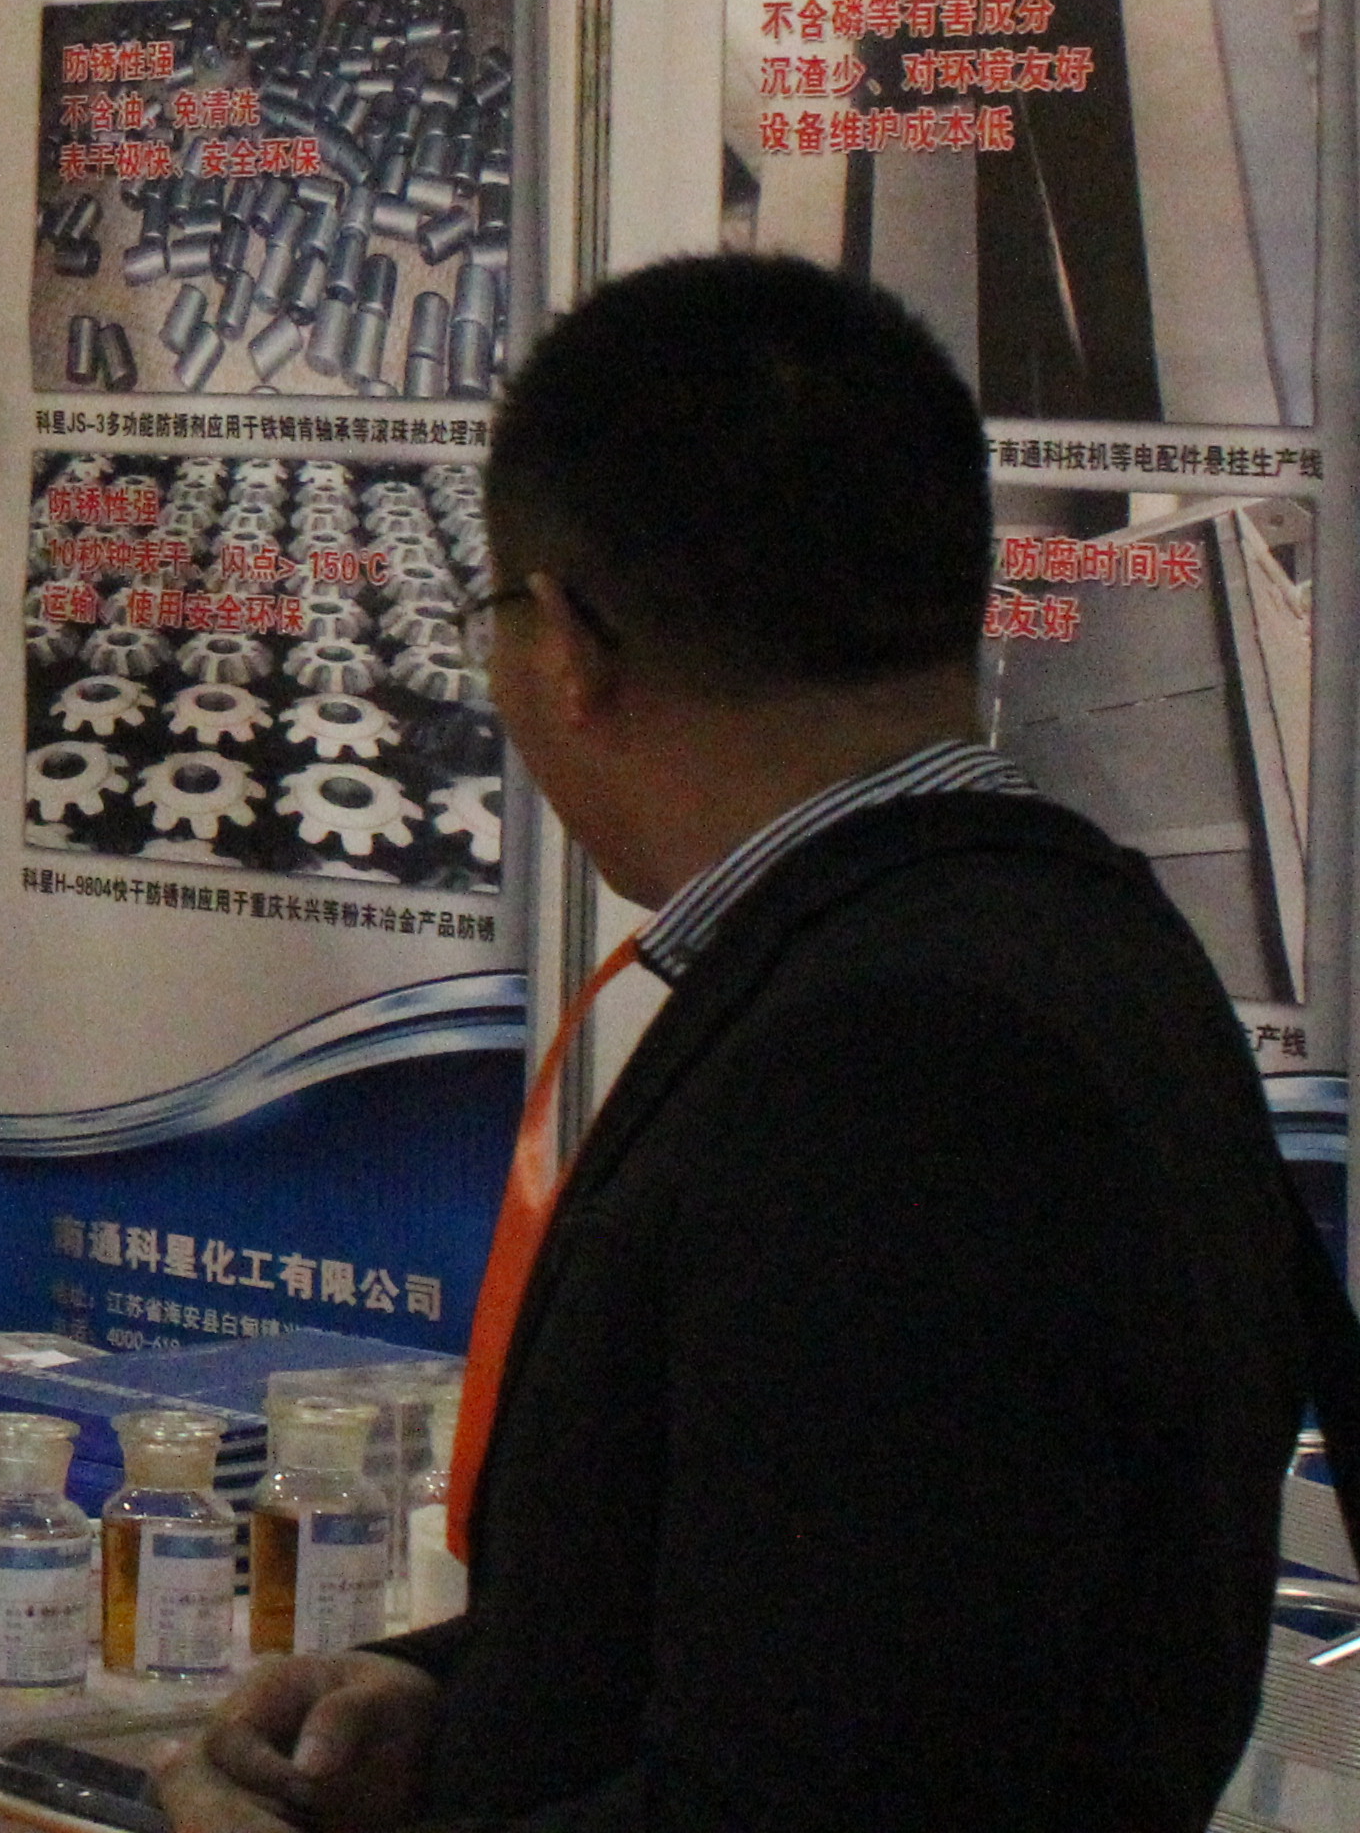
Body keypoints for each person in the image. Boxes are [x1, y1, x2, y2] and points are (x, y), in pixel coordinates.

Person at [168, 253, 1347, 1833]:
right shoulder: (1076, 935)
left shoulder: (902, 1061)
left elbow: (833, 1791)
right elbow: (833, 1624)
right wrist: (455, 1697)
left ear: (567, 646)